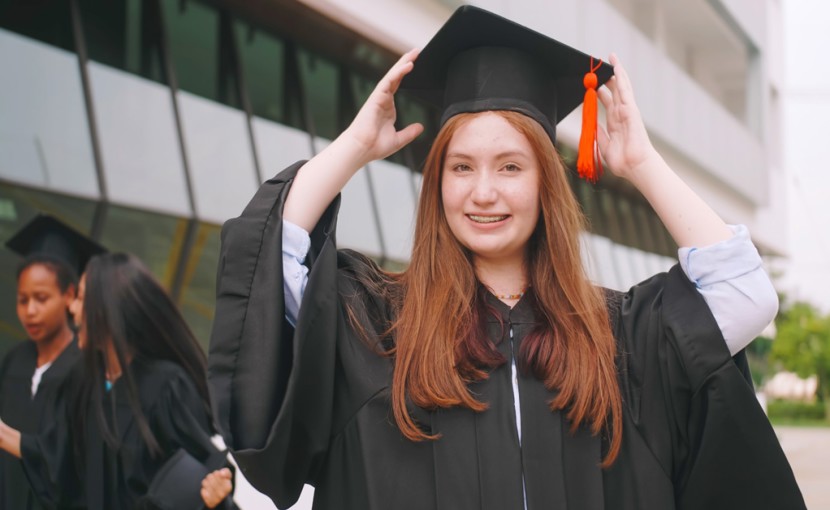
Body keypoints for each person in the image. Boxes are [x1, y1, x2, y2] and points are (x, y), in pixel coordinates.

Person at [208, 6, 805, 510]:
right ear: (436, 183)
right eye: (461, 167)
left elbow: (743, 295)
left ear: (546, 184)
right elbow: (270, 261)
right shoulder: (378, 328)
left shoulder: (618, 335)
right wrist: (353, 148)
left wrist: (642, 164)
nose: (483, 192)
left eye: (511, 167)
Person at [0, 252, 236, 509]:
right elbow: (57, 458)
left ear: (105, 308)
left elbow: (203, 473)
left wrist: (215, 494)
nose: (72, 308)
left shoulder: (165, 387)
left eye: (80, 297)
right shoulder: (85, 382)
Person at [0, 214, 104, 510]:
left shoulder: (87, 368)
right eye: (22, 300)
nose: (30, 311)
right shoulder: (15, 361)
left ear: (69, 295)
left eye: (41, 298)